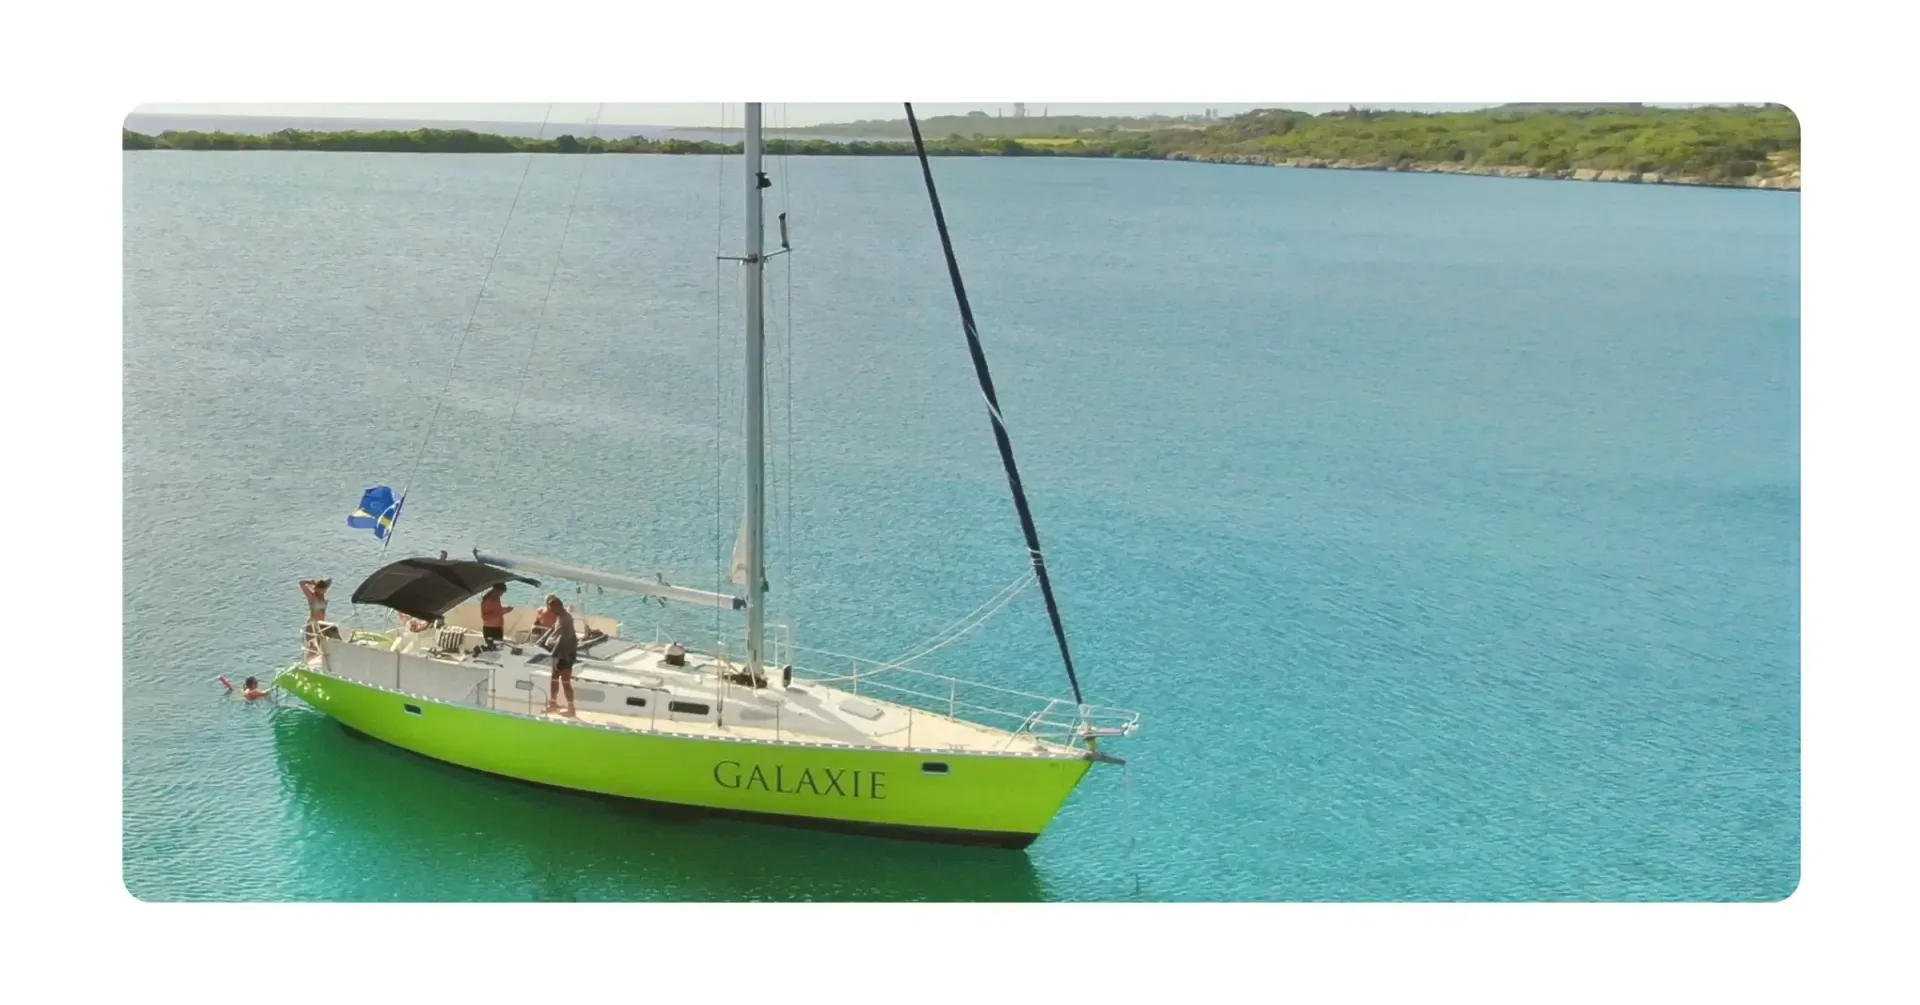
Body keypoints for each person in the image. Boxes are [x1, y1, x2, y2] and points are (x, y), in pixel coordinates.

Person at [542, 595, 579, 718]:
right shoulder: (560, 617)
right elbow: (553, 631)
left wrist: (555, 654)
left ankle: (571, 709)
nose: (550, 612)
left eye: (552, 609)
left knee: (565, 681)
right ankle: (552, 703)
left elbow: (565, 638)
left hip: (566, 654)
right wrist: (542, 642)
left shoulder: (566, 619)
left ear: (558, 606)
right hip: (558, 652)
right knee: (554, 678)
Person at [299, 578, 331, 657]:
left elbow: (330, 580)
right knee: (313, 646)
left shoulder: (322, 596)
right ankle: (305, 663)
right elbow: (301, 583)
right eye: (321, 590)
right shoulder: (312, 596)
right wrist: (310, 582)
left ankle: (315, 661)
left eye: (324, 590)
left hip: (320, 624)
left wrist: (324, 583)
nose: (323, 591)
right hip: (312, 624)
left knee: (320, 645)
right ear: (317, 589)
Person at [479, 583, 514, 648]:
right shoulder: (489, 599)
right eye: (502, 592)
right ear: (497, 590)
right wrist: (505, 610)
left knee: (497, 648)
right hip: (491, 629)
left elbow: (495, 610)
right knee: (493, 649)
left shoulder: (495, 597)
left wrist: (505, 609)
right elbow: (485, 616)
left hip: (496, 628)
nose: (502, 594)